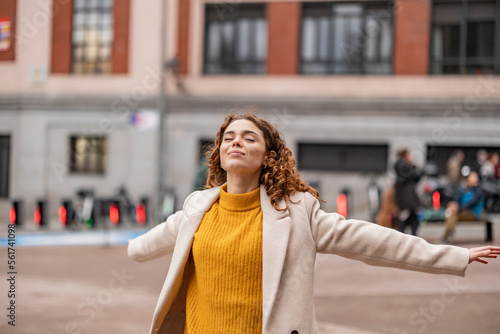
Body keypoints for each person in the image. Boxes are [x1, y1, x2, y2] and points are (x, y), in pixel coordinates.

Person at [128, 113, 500, 334]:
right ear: (220, 153)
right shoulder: (198, 206)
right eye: (229, 137)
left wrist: (453, 257)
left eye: (248, 137)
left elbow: (369, 240)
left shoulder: (296, 211)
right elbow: (153, 240)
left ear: (268, 156)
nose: (236, 142)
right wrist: (133, 249)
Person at [441, 171, 487, 243]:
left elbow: (471, 203)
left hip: (473, 213)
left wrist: (457, 207)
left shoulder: (479, 190)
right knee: (452, 213)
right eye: (472, 177)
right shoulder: (464, 189)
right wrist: (453, 204)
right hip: (462, 212)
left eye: (475, 177)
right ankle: (448, 234)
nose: (474, 179)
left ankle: (447, 235)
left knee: (453, 214)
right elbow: (457, 199)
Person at [394, 149, 422, 235]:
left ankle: (408, 237)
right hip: (407, 199)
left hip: (408, 198)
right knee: (406, 218)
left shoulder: (405, 166)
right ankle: (404, 237)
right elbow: (413, 176)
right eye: (410, 155)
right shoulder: (403, 166)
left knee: (411, 219)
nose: (412, 157)